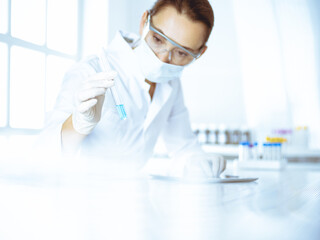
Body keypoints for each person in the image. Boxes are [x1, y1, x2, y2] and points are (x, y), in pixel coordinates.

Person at [39, 0, 226, 178]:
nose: (163, 59)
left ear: (200, 53)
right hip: (80, 196)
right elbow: (43, 154)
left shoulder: (171, 84)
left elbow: (183, 146)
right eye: (158, 39)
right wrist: (78, 124)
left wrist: (201, 162)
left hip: (129, 199)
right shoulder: (92, 71)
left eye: (181, 53)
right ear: (144, 22)